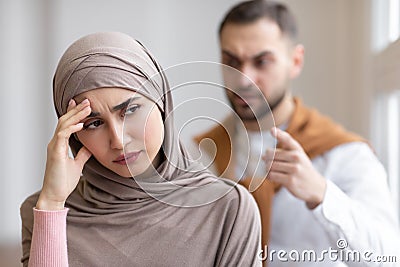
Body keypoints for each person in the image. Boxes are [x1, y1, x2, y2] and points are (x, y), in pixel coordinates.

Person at [20, 32, 262, 267]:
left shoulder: (227, 209)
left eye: (131, 110)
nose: (118, 140)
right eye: (94, 123)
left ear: (161, 101)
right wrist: (51, 204)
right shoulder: (44, 212)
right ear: (74, 135)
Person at [194, 0, 400, 266]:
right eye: (232, 61)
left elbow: (389, 257)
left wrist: (322, 195)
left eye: (262, 61)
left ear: (295, 61)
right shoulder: (199, 155)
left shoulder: (345, 155)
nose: (243, 79)